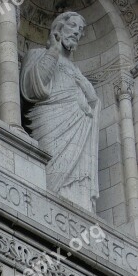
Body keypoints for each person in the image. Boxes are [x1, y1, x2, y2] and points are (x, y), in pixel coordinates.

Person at [20, 12, 100, 212]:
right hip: (50, 123)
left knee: (77, 176)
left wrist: (88, 98)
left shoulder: (76, 71)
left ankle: (80, 209)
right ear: (58, 28)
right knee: (52, 170)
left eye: (80, 30)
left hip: (80, 129)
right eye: (72, 26)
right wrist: (53, 53)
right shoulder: (38, 54)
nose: (76, 32)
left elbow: (94, 101)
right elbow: (32, 89)